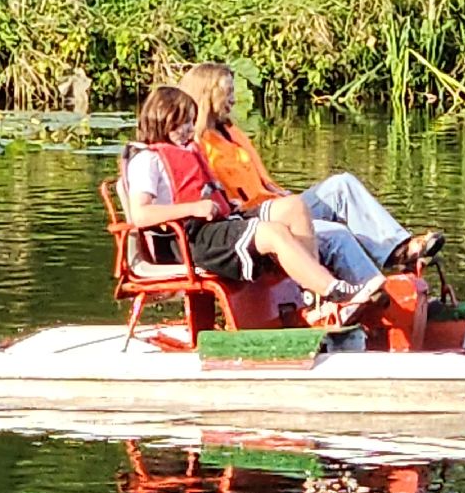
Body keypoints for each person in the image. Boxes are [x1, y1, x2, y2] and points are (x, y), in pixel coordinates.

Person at [124, 85, 385, 318]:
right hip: (187, 240)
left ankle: (313, 298)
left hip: (214, 227)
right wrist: (195, 208)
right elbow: (141, 215)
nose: (191, 130)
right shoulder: (147, 160)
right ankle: (334, 290)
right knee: (273, 233)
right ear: (163, 119)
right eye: (184, 123)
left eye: (192, 122)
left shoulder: (185, 151)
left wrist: (227, 203)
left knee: (293, 207)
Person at [178, 63, 445, 282]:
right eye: (227, 93)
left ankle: (398, 250)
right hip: (251, 220)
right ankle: (379, 295)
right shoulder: (195, 146)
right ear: (207, 95)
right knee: (334, 232)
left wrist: (282, 196)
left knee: (343, 185)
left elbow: (262, 182)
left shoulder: (229, 132)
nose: (233, 100)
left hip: (276, 205)